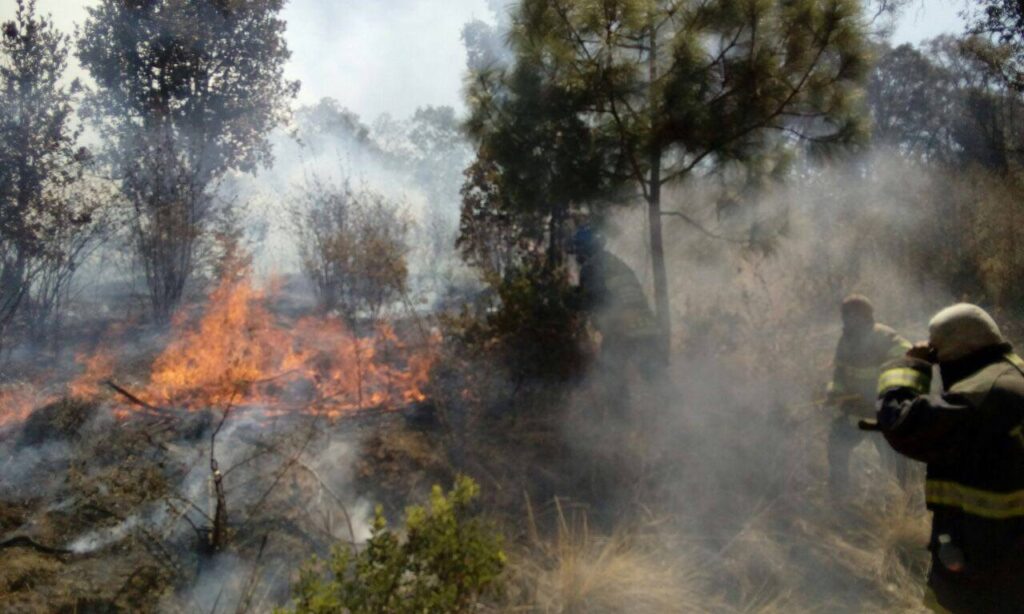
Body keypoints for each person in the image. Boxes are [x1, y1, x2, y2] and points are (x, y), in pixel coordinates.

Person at [874, 303, 1024, 612]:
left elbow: (900, 423)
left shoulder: (978, 396)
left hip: (986, 564)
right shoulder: (1014, 375)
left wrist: (910, 366)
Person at [826, 295, 912, 494]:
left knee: (893, 461)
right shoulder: (845, 340)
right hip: (855, 412)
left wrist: (884, 390)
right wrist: (835, 392)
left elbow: (908, 356)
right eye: (846, 315)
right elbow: (840, 373)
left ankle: (904, 501)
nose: (848, 319)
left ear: (866, 316)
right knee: (837, 444)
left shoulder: (882, 336)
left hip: (881, 413)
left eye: (854, 315)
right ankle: (839, 493)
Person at [571, 226, 661, 414]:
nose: (577, 255)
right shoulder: (618, 263)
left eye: (579, 249)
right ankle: (676, 412)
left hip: (621, 327)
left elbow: (592, 300)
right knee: (653, 372)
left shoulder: (591, 266)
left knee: (611, 373)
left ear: (587, 249)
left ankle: (620, 423)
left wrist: (569, 300)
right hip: (646, 324)